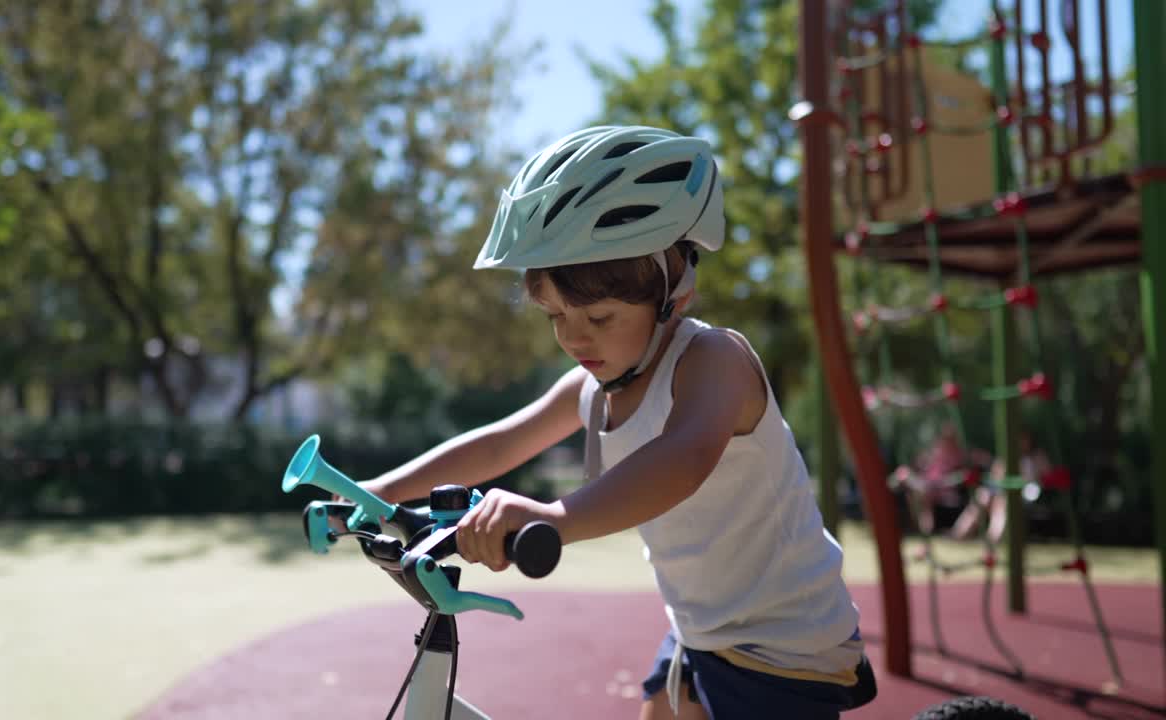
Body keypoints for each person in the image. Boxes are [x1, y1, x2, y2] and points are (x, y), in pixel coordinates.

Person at [356, 126, 875, 719]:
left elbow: (681, 458)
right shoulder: (594, 387)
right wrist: (381, 491)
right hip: (700, 630)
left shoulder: (713, 362)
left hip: (784, 644)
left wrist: (555, 517)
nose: (574, 336)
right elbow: (504, 441)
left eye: (599, 316)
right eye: (555, 314)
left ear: (673, 295)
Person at [949, 430, 1050, 543]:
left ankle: (994, 538)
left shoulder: (1037, 457)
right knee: (983, 496)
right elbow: (995, 477)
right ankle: (959, 533)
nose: (1020, 443)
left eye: (1023, 439)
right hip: (1000, 492)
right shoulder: (1007, 455)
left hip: (1024, 495)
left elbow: (1042, 478)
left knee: (1001, 502)